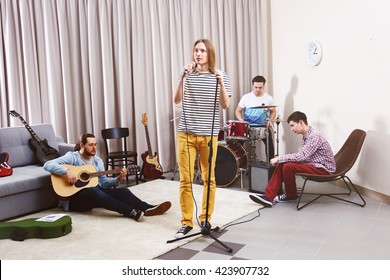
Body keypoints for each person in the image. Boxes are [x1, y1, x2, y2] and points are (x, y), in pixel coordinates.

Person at [173, 38, 232, 238]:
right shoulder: (188, 74)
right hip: (186, 134)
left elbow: (225, 105)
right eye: (196, 50)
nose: (198, 54)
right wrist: (182, 77)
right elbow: (176, 100)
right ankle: (187, 222)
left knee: (209, 179)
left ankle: (205, 218)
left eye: (203, 51)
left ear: (210, 54)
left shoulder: (219, 74)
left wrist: (221, 82)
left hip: (209, 135)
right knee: (186, 179)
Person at [44, 133, 171, 221]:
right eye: (90, 145)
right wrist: (66, 171)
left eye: (95, 144)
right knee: (94, 191)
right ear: (82, 145)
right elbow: (48, 164)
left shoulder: (98, 161)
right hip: (73, 200)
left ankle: (147, 208)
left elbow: (104, 183)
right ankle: (130, 211)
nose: (94, 148)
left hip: (94, 195)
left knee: (123, 191)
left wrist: (118, 179)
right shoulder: (72, 157)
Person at [249, 111, 336, 207]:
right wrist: (283, 159)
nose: (291, 129)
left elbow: (302, 156)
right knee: (284, 164)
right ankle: (268, 196)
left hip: (323, 169)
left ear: (301, 123)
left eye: (292, 125)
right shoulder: (306, 137)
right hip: (315, 165)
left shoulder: (314, 136)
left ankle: (290, 195)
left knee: (288, 166)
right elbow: (303, 156)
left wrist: (279, 158)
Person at [235, 75, 276, 160]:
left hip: (263, 127)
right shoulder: (246, 97)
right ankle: (240, 165)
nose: (257, 90)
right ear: (252, 86)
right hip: (247, 127)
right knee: (237, 146)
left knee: (270, 146)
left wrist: (270, 120)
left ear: (264, 86)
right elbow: (237, 111)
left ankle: (271, 166)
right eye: (256, 87)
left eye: (260, 87)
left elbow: (273, 111)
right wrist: (241, 121)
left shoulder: (268, 98)